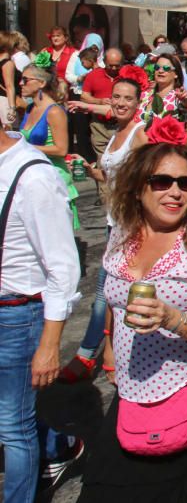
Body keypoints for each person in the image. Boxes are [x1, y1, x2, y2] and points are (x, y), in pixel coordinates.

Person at [77, 143, 187, 502]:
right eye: (162, 181)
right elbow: (115, 302)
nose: (175, 192)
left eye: (185, 184)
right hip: (133, 391)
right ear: (138, 186)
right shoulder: (124, 235)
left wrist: (172, 317)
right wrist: (109, 347)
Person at [0, 127, 80, 503]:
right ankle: (58, 446)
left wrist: (50, 344)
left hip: (18, 315)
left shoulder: (34, 177)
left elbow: (63, 267)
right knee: (13, 412)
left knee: (13, 427)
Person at [61, 75, 148, 384]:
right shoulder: (115, 134)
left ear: (138, 103)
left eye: (128, 98)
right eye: (117, 97)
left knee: (105, 292)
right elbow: (109, 176)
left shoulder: (139, 133)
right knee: (111, 293)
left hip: (131, 226)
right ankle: (112, 355)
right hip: (114, 222)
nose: (121, 103)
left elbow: (150, 176)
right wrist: (91, 171)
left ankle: (89, 354)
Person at [18, 65, 80, 229]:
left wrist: (24, 148)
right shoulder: (30, 109)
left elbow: (61, 149)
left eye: (25, 79)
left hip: (53, 176)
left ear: (41, 83)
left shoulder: (54, 112)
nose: (20, 83)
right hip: (33, 175)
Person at [81, 46, 124, 159]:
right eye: (110, 65)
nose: (114, 68)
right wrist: (99, 101)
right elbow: (84, 97)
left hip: (121, 124)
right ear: (104, 62)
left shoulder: (126, 75)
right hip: (99, 125)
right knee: (102, 160)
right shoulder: (93, 75)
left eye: (117, 65)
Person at [138, 52, 187, 123]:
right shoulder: (144, 94)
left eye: (166, 68)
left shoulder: (179, 96)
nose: (160, 71)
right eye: (157, 67)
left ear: (176, 74)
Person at [0, 30, 21, 129]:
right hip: (5, 101)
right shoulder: (7, 63)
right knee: (10, 134)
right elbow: (9, 86)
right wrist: (12, 108)